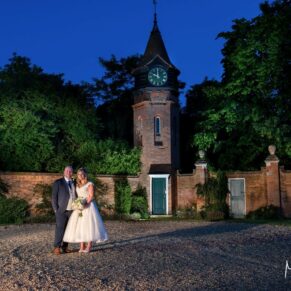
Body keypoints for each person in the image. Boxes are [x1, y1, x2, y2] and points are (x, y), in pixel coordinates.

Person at [63, 167, 108, 253]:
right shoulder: (77, 184)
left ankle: (89, 246)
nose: (81, 175)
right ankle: (82, 246)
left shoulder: (89, 183)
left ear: (85, 174)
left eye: (82, 174)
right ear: (77, 175)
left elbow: (91, 196)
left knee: (88, 226)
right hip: (79, 208)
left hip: (88, 206)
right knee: (80, 226)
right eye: (79, 174)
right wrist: (78, 205)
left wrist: (84, 205)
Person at [51, 165, 76, 255]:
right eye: (67, 171)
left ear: (72, 173)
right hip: (61, 210)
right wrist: (55, 210)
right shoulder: (58, 182)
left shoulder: (74, 182)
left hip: (72, 210)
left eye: (70, 171)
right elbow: (53, 197)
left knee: (68, 229)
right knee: (60, 229)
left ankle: (65, 247)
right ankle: (56, 247)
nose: (69, 173)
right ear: (64, 172)